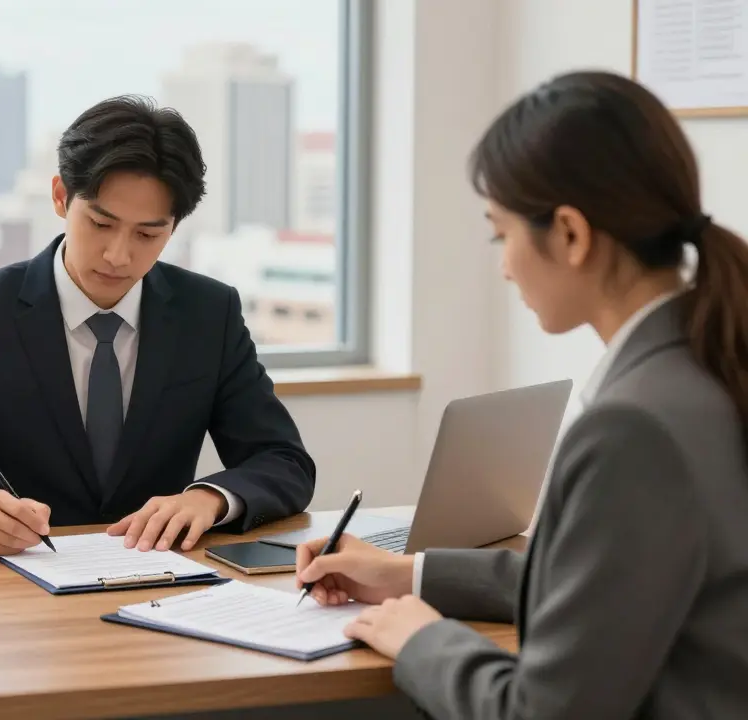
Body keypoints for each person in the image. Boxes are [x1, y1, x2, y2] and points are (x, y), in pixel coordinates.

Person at [295, 70, 748, 719]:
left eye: (500, 233)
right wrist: (411, 576)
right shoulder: (711, 365)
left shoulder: (634, 427)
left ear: (569, 233)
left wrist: (424, 639)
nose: (504, 264)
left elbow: (542, 713)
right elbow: (613, 584)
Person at [0, 95, 315, 556]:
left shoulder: (208, 313)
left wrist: (209, 500)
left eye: (147, 234)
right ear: (61, 197)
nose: (119, 256)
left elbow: (284, 462)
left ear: (174, 227)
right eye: (101, 223)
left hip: (161, 582)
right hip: (17, 588)